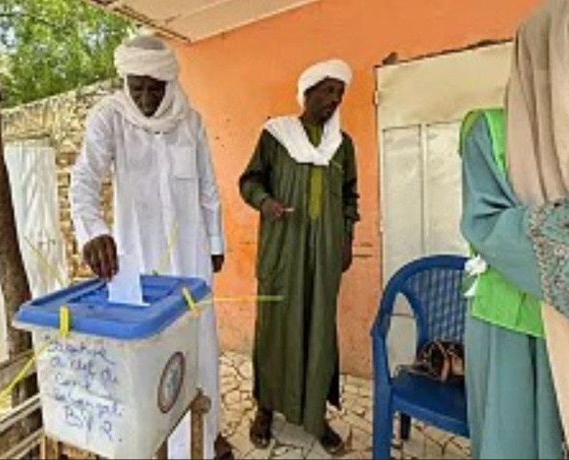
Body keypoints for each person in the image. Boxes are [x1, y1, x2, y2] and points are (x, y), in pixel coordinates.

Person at [69, 35, 230, 459]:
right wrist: (92, 230)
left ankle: (205, 433)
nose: (145, 97)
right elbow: (84, 179)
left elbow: (208, 187)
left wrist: (215, 240)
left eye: (154, 88)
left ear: (169, 83)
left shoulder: (190, 121)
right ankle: (154, 444)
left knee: (198, 343)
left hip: (191, 253)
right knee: (148, 349)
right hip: (137, 254)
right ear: (126, 81)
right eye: (137, 86)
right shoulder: (109, 117)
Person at [459, 1, 569, 457]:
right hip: (515, 325)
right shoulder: (491, 131)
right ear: (553, 57)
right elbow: (486, 227)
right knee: (516, 444)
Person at [239, 59, 359, 455]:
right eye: (327, 90)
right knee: (275, 327)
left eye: (339, 93)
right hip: (283, 248)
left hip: (324, 253)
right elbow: (250, 180)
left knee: (318, 328)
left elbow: (349, 197)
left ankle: (315, 416)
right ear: (306, 92)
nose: (334, 99)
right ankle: (265, 409)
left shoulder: (342, 144)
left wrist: (345, 239)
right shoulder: (276, 135)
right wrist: (266, 202)